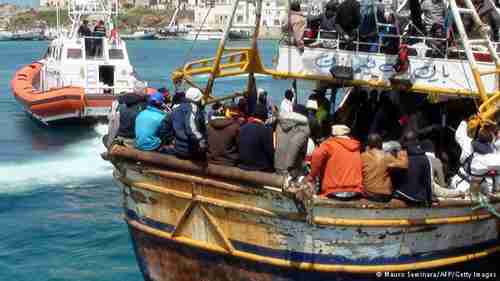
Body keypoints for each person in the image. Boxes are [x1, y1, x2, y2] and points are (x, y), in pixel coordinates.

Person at [308, 125, 363, 199]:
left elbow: (316, 156)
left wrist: (312, 176)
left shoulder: (329, 144)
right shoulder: (356, 146)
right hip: (355, 192)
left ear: (332, 135)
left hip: (334, 191)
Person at [449, 120, 500, 193]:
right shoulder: (489, 158)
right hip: (468, 190)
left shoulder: (467, 142)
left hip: (457, 182)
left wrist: (465, 121)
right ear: (490, 143)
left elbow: (459, 134)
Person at [161, 87, 207, 159]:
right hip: (190, 150)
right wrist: (202, 141)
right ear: (198, 99)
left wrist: (170, 140)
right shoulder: (193, 108)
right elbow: (191, 128)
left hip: (178, 148)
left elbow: (165, 124)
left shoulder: (177, 108)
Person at [361, 134, 407, 202]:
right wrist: (401, 151)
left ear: (368, 145)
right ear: (381, 144)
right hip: (384, 194)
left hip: (369, 193)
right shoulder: (387, 156)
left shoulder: (363, 156)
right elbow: (404, 165)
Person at [392, 131, 433, 206]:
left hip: (401, 195)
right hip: (418, 198)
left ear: (405, 142)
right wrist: (429, 200)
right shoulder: (424, 158)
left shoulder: (400, 156)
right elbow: (427, 181)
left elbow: (394, 178)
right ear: (417, 141)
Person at [238, 104, 274, 172]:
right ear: (265, 117)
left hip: (243, 165)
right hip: (260, 167)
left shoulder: (242, 128)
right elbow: (270, 152)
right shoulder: (266, 130)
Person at [274, 110, 311, 177]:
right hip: (291, 170)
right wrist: (288, 167)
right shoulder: (304, 127)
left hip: (277, 165)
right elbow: (295, 144)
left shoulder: (280, 122)